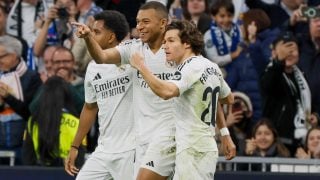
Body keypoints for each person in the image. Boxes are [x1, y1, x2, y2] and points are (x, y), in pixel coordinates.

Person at [73, 2, 177, 180]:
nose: (140, 26)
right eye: (138, 22)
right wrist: (88, 37)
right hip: (117, 146)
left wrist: (223, 132)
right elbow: (102, 58)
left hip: (154, 142)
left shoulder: (176, 51)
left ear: (163, 23)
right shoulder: (131, 51)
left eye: (145, 21)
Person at [130, 20, 236, 180]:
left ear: (187, 43)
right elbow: (228, 98)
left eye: (171, 41)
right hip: (194, 144)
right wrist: (224, 133)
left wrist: (141, 67)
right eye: (164, 41)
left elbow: (167, 92)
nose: (165, 46)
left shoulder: (190, 67)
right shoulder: (211, 66)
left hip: (194, 148)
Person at [64, 10, 135, 180]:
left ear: (111, 37)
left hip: (132, 150)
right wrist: (75, 146)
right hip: (104, 149)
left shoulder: (132, 55)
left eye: (96, 32)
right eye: (91, 31)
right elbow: (89, 108)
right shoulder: (93, 68)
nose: (92, 35)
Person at [260, 32, 318, 156]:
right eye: (285, 49)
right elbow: (268, 85)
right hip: (279, 143)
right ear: (274, 53)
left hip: (301, 140)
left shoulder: (302, 75)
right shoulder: (270, 72)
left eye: (293, 49)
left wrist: (315, 115)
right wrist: (279, 61)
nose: (289, 53)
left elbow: (305, 103)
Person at [22, 75, 85, 166]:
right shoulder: (78, 124)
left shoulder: (32, 122)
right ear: (67, 95)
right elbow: (79, 162)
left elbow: (27, 160)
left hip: (39, 174)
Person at [0, 36, 42, 165]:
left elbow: (31, 113)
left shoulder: (32, 77)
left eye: (2, 57)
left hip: (23, 143)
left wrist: (8, 97)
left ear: (14, 55)